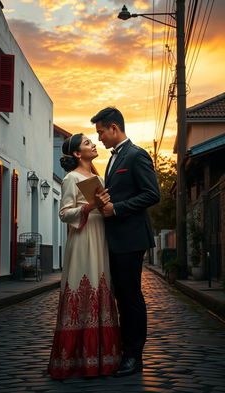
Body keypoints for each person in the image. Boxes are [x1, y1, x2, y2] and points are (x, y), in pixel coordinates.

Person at [91, 107, 160, 377]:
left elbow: (152, 194)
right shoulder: (113, 159)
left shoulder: (136, 155)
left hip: (131, 237)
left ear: (114, 128)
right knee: (121, 295)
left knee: (131, 297)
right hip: (115, 239)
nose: (99, 139)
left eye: (101, 132)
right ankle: (124, 350)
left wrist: (116, 209)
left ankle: (134, 356)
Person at [48, 133, 121, 379]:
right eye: (88, 143)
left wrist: (106, 207)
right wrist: (90, 206)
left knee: (102, 286)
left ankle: (102, 358)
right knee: (83, 286)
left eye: (92, 141)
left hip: (101, 237)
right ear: (77, 154)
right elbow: (64, 213)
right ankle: (76, 360)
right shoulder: (71, 178)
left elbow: (106, 209)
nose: (93, 144)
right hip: (82, 239)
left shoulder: (99, 177)